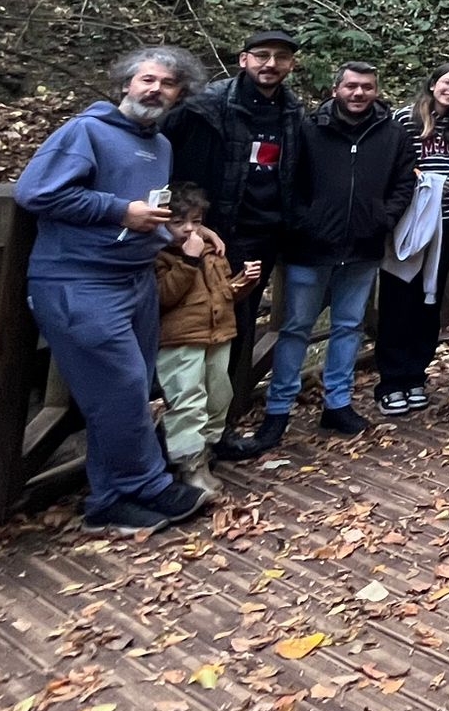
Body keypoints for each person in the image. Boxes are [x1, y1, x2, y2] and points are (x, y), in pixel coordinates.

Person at [17, 45, 213, 535]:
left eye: (168, 84)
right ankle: (146, 484)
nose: (155, 90)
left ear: (179, 94)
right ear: (126, 83)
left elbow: (146, 209)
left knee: (124, 391)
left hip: (135, 278)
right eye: (147, 79)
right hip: (77, 279)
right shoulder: (86, 131)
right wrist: (118, 211)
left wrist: (172, 232)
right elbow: (35, 192)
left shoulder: (160, 144)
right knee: (123, 389)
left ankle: (109, 499)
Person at [239, 61, 417, 453]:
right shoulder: (307, 128)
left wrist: (384, 218)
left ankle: (338, 403)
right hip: (309, 247)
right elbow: (287, 179)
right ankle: (278, 409)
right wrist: (303, 221)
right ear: (337, 89)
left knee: (349, 326)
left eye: (367, 87)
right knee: (294, 329)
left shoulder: (390, 133)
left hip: (363, 246)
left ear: (375, 90)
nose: (359, 94)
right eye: (351, 86)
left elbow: (405, 181)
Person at [164, 28, 311, 434]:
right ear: (243, 60)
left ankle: (221, 426)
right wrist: (183, 223)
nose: (271, 64)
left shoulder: (292, 114)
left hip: (262, 237)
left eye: (280, 57)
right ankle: (182, 436)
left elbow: (295, 175)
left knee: (239, 328)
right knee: (196, 334)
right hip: (208, 238)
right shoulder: (205, 108)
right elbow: (164, 158)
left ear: (291, 65)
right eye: (261, 55)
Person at [378, 64, 449, 416]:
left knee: (429, 301)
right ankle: (391, 381)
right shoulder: (405, 119)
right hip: (410, 222)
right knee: (398, 298)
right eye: (448, 82)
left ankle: (416, 374)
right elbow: (391, 165)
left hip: (447, 223)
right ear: (433, 84)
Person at [154, 185, 253, 495]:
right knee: (187, 399)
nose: (189, 229)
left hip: (216, 335)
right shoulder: (160, 257)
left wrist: (243, 283)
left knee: (218, 395)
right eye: (179, 222)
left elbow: (224, 295)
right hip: (180, 340)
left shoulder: (212, 253)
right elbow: (163, 296)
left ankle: (206, 454)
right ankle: (189, 465)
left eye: (196, 222)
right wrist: (188, 261)